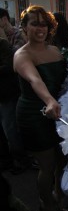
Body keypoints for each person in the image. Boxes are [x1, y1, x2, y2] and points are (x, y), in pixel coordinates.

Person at [13, 5, 67, 211]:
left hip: (60, 111)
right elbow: (35, 80)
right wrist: (50, 101)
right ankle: (46, 203)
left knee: (63, 161)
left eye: (43, 23)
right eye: (34, 23)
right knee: (47, 166)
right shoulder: (21, 55)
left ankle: (60, 197)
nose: (40, 28)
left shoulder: (55, 50)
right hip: (34, 115)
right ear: (25, 27)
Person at [0, 9, 29, 174]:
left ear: (4, 19)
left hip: (12, 90)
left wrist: (3, 40)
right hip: (5, 91)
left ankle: (21, 160)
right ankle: (9, 159)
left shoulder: (17, 36)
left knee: (10, 127)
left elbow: (15, 63)